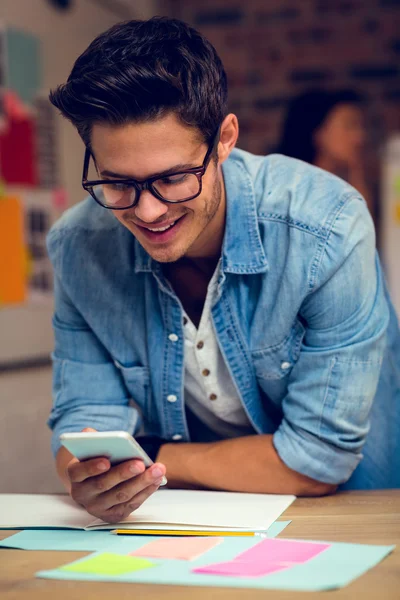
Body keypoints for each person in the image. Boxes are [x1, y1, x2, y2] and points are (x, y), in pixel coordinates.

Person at [47, 17, 400, 524]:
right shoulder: (77, 246)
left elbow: (318, 460)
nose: (147, 212)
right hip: (197, 522)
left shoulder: (327, 226)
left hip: (358, 513)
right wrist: (90, 478)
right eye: (118, 183)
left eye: (172, 178)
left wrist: (155, 457)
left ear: (224, 139)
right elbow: (80, 430)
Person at [276, 89, 375, 219]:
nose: (360, 137)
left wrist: (357, 173)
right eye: (349, 126)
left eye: (360, 126)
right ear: (318, 132)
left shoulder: (343, 185)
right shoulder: (292, 190)